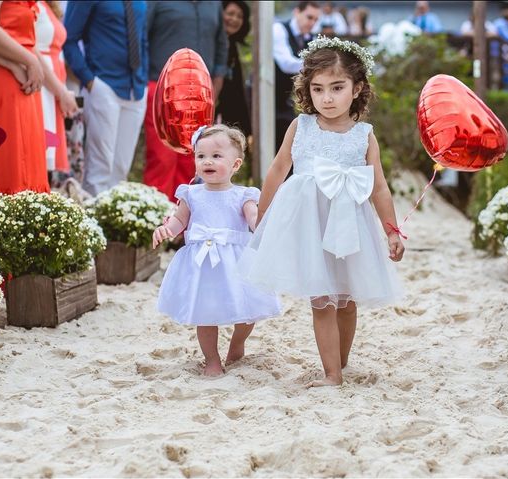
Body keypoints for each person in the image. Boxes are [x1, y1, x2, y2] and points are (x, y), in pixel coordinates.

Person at [239, 37, 405, 387]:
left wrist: (391, 230)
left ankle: (339, 364)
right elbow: (277, 170)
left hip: (349, 223)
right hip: (308, 223)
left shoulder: (364, 135)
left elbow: (378, 187)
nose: (326, 98)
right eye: (317, 89)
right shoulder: (301, 127)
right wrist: (264, 218)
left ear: (357, 88)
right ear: (307, 90)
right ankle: (332, 374)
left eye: (337, 87)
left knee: (346, 300)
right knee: (321, 299)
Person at [153, 124, 281, 377]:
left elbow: (254, 219)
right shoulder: (191, 194)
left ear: (235, 164)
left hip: (237, 261)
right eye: (201, 156)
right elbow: (180, 220)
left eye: (216, 156)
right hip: (203, 265)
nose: (207, 161)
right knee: (205, 313)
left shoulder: (243, 194)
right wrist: (168, 228)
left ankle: (237, 342)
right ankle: (211, 359)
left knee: (247, 310)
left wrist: (266, 229)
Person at [145, 1, 228, 202]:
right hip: (162, 90)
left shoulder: (214, 4)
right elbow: (142, 38)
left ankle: (184, 221)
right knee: (162, 157)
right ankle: (159, 219)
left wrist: (215, 83)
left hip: (199, 96)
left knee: (193, 159)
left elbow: (221, 45)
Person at [63, 1, 148, 196]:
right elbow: (69, 38)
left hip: (136, 88)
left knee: (121, 167)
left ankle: (113, 222)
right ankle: (93, 221)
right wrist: (89, 80)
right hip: (103, 84)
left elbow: (143, 38)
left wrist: (142, 78)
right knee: (99, 167)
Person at [0, 0, 49, 201]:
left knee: (27, 166)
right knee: (6, 165)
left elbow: (26, 40)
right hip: (2, 86)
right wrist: (26, 61)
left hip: (22, 81)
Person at [35, 1, 79, 186]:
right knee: (38, 153)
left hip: (51, 88)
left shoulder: (47, 5)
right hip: (41, 85)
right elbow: (29, 45)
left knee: (47, 158)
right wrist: (60, 91)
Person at [273, 1, 321, 154]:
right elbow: (286, 64)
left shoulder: (311, 38)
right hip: (266, 96)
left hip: (286, 99)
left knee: (290, 142)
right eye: (309, 17)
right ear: (296, 12)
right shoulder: (279, 29)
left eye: (315, 19)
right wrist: (318, 64)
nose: (312, 23)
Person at [216, 0, 252, 138]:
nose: (234, 19)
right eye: (230, 14)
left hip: (229, 118)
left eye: (240, 16)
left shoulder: (233, 46)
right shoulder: (213, 46)